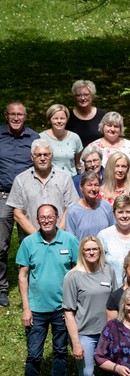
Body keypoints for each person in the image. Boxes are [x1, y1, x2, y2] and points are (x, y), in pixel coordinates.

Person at [17, 204, 79, 376]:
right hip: (36, 310)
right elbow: (23, 276)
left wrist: (71, 306)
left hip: (62, 310)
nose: (46, 220)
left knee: (61, 352)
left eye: (50, 216)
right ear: (37, 219)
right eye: (42, 217)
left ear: (56, 217)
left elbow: (77, 272)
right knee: (34, 355)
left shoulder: (70, 240)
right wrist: (26, 307)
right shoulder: (29, 243)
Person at [62, 236, 118, 376]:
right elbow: (68, 312)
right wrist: (76, 343)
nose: (92, 252)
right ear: (82, 252)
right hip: (85, 334)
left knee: (112, 373)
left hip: (108, 333)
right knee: (87, 375)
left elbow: (115, 302)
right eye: (87, 249)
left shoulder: (108, 271)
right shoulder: (73, 276)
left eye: (95, 248)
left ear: (100, 250)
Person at [0, 101, 39, 307]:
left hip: (27, 196)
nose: (16, 118)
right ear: (6, 115)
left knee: (31, 241)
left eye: (20, 115)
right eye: (13, 114)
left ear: (25, 116)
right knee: (0, 244)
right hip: (3, 196)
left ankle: (34, 285)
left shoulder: (34, 138)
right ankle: (1, 287)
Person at [7, 139, 79, 237]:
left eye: (46, 154)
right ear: (32, 157)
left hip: (60, 238)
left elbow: (70, 209)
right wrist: (37, 238)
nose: (42, 158)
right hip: (30, 239)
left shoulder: (64, 178)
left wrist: (58, 235)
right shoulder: (20, 180)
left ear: (52, 156)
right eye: (38, 155)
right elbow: (17, 213)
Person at [66, 171, 115, 240]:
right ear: (81, 187)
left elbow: (113, 232)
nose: (93, 189)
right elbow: (70, 240)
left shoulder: (106, 206)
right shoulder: (73, 212)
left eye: (96, 185)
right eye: (89, 185)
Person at [40, 104, 83, 176]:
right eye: (55, 118)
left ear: (67, 119)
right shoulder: (41, 138)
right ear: (50, 119)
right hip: (49, 179)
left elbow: (77, 162)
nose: (59, 121)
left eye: (62, 118)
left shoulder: (74, 138)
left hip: (71, 179)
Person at [66, 80, 106, 147]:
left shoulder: (102, 114)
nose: (82, 98)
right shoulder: (68, 116)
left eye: (86, 94)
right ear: (74, 97)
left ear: (92, 95)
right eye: (78, 95)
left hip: (98, 155)